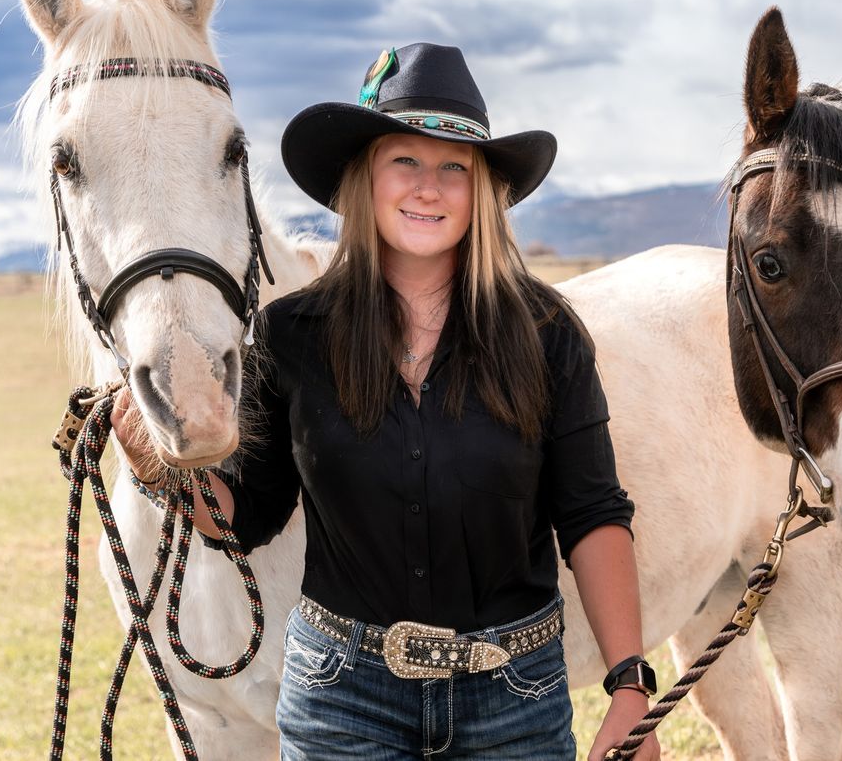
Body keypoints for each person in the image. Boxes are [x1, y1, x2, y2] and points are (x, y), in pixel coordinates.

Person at [113, 42, 660, 761]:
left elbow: (592, 514)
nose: (428, 187)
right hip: (342, 696)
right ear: (364, 180)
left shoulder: (547, 336)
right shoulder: (290, 337)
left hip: (514, 698)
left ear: (483, 190)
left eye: (454, 168)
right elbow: (246, 516)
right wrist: (166, 475)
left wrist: (629, 686)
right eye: (405, 160)